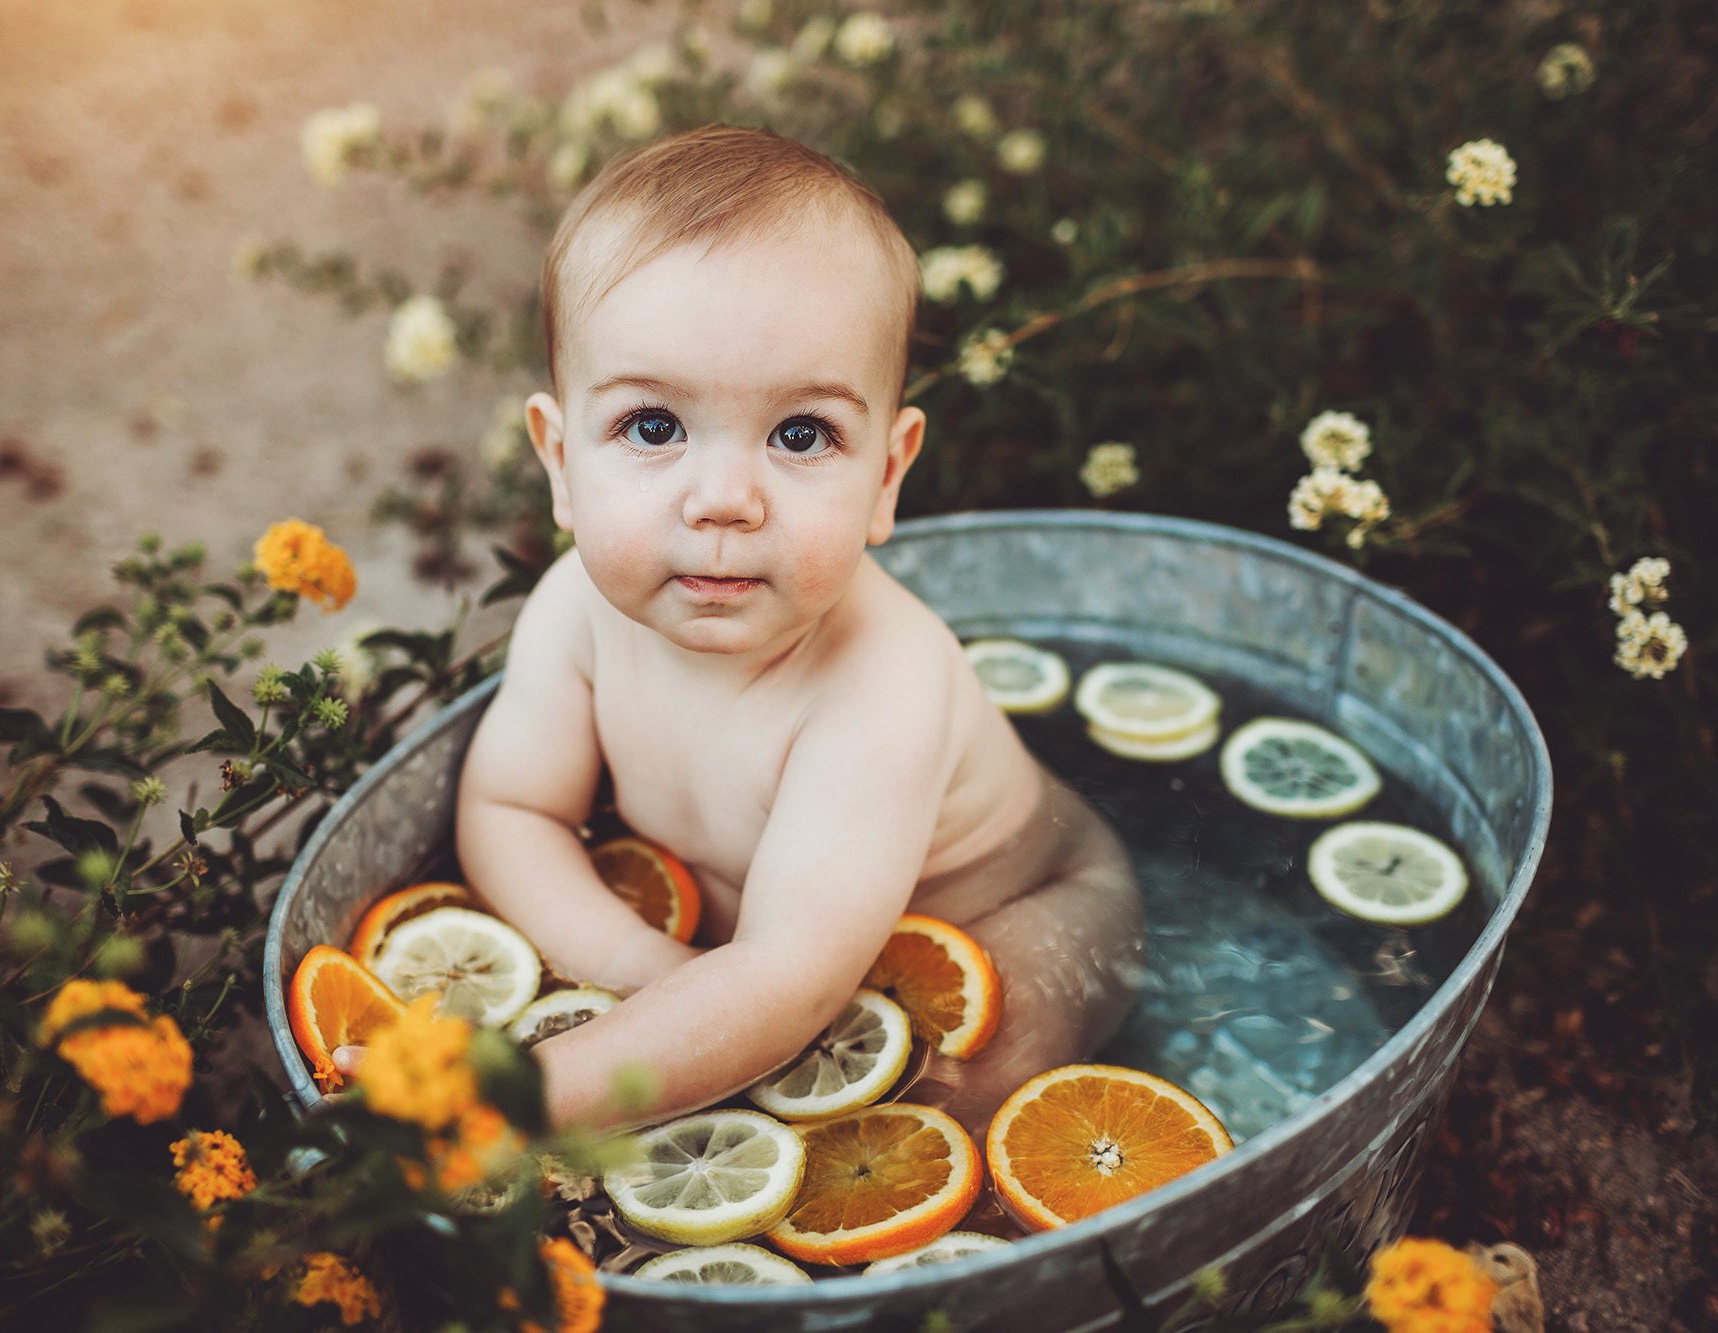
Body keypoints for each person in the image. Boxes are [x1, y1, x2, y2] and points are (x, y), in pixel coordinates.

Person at [367, 125, 1141, 1135]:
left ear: (885, 476)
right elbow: (513, 811)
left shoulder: (879, 681)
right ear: (559, 461)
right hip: (757, 949)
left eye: (800, 434)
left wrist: (519, 1099)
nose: (724, 500)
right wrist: (649, 973)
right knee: (716, 1068)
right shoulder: (576, 608)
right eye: (653, 427)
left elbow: (784, 983)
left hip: (1029, 899)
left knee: (960, 1089)